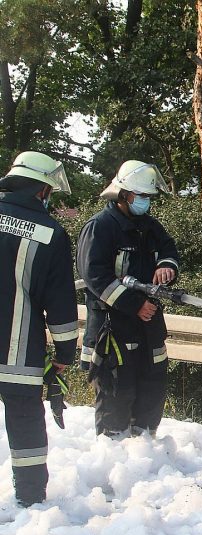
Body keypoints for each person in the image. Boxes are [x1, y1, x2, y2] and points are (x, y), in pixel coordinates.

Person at [77, 160, 179, 437]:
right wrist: (135, 305)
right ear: (124, 194)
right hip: (113, 327)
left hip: (148, 326)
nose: (146, 201)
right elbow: (95, 275)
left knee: (152, 386)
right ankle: (114, 449)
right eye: (141, 195)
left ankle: (145, 444)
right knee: (116, 392)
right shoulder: (100, 227)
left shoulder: (150, 227)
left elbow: (168, 248)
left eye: (148, 196)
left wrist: (166, 265)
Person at [0, 151, 78, 506]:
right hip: (19, 352)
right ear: (42, 190)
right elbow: (60, 304)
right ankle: (30, 501)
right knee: (26, 423)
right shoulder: (51, 233)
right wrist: (64, 353)